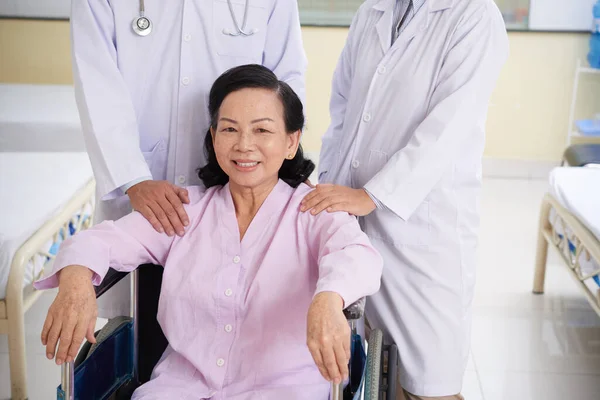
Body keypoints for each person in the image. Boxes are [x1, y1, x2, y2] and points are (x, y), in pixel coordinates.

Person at [35, 65, 383, 400]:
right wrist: (76, 282)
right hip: (179, 389)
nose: (244, 145)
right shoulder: (184, 212)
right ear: (214, 137)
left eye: (262, 131)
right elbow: (99, 241)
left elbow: (357, 255)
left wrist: (328, 298)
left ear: (291, 142)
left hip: (283, 390)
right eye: (230, 129)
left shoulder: (314, 210)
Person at [301, 0, 509, 399]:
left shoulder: (475, 16)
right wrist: (330, 182)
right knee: (371, 370)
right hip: (353, 217)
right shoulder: (373, 11)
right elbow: (343, 109)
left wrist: (373, 194)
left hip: (422, 231)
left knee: (428, 383)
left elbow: (449, 125)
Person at [71, 0, 307, 317]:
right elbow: (97, 83)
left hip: (238, 193)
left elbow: (286, 83)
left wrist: (287, 169)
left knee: (240, 321)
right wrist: (134, 178)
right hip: (142, 195)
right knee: (141, 331)